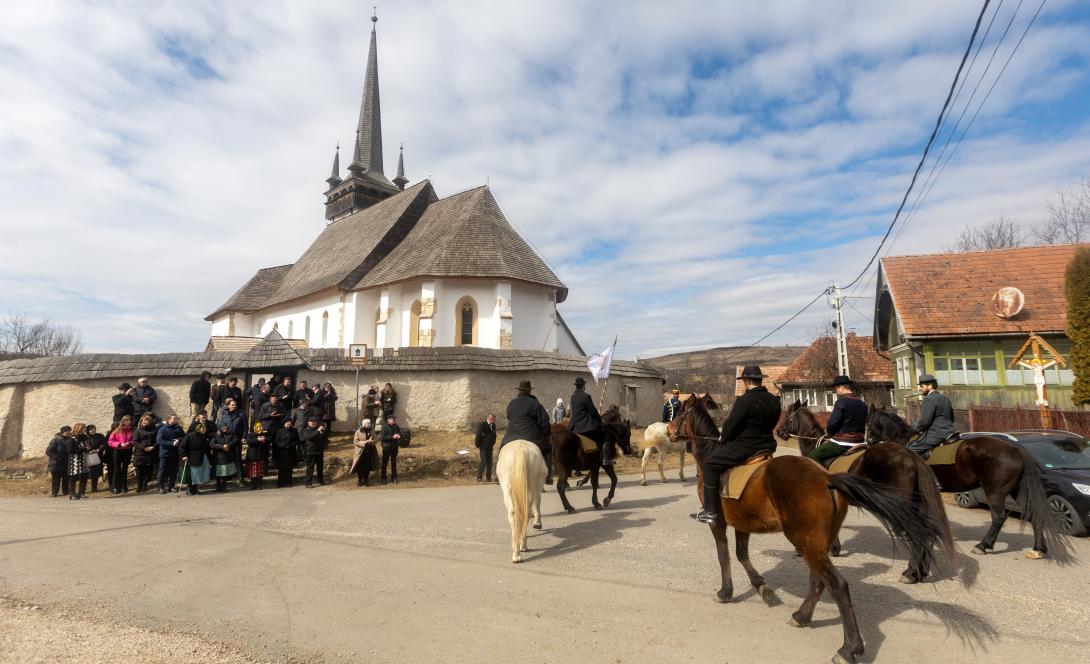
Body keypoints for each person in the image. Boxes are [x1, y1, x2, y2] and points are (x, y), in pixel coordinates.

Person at [693, 365, 781, 524]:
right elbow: (773, 423)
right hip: (767, 446)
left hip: (746, 448)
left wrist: (723, 439)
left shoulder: (744, 401)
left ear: (746, 380)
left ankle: (710, 510)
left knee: (710, 464)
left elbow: (730, 427)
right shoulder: (774, 400)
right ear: (760, 380)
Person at [807, 376, 868, 466]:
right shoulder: (863, 404)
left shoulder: (841, 402)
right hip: (860, 443)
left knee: (813, 456)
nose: (836, 391)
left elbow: (832, 424)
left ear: (842, 388)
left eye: (836, 388)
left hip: (843, 443)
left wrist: (830, 433)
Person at [500, 380, 552, 481]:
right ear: (529, 391)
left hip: (511, 437)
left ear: (519, 390)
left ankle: (497, 475)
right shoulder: (535, 404)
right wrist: (545, 435)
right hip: (532, 437)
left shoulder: (511, 403)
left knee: (502, 450)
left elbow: (509, 417)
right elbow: (545, 422)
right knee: (548, 449)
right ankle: (548, 476)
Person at [910, 374, 956, 457]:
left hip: (936, 434)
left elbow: (925, 421)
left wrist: (916, 430)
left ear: (930, 386)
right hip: (950, 432)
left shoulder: (929, 399)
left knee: (909, 450)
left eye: (922, 386)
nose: (920, 389)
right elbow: (952, 418)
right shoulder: (945, 398)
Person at [569, 377, 609, 465]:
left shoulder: (572, 397)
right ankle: (606, 459)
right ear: (583, 385)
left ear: (576, 386)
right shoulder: (586, 396)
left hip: (575, 426)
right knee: (605, 434)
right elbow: (593, 411)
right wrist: (599, 420)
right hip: (585, 426)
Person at [217, 398, 248, 486]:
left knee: (238, 460)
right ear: (228, 406)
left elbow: (245, 428)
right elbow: (220, 428)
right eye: (232, 405)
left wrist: (244, 437)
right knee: (227, 460)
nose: (234, 406)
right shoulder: (224, 416)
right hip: (227, 441)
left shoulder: (241, 415)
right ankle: (227, 479)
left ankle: (240, 479)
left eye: (235, 404)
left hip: (237, 440)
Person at [180, 423, 212, 495]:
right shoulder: (190, 436)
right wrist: (184, 455)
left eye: (205, 428)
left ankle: (195, 489)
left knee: (199, 474)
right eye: (202, 428)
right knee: (193, 474)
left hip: (203, 457)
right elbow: (182, 446)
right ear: (198, 429)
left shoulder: (205, 436)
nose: (204, 429)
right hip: (193, 457)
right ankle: (190, 489)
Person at [156, 414, 185, 493]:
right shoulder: (162, 429)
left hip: (175, 453)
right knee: (162, 471)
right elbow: (159, 440)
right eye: (174, 418)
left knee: (174, 471)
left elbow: (185, 437)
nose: (176, 420)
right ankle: (160, 487)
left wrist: (178, 440)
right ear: (169, 419)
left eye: (177, 418)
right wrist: (171, 443)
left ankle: (171, 486)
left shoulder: (179, 428)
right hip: (165, 454)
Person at [107, 416, 134, 494]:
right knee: (116, 469)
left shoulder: (132, 430)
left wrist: (130, 443)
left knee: (125, 469)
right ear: (123, 421)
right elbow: (110, 442)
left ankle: (124, 487)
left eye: (129, 420)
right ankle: (115, 487)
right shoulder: (117, 430)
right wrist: (120, 444)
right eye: (126, 420)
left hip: (128, 451)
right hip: (118, 451)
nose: (128, 422)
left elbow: (135, 440)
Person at [131, 414, 158, 493]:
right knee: (140, 471)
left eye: (146, 420)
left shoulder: (153, 430)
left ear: (149, 422)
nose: (145, 422)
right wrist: (144, 448)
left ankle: (144, 486)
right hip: (141, 453)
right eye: (143, 420)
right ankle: (139, 486)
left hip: (151, 452)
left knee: (148, 471)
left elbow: (157, 440)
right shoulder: (138, 430)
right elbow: (135, 442)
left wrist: (153, 447)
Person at [46, 426, 73, 498]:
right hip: (56, 463)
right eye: (68, 431)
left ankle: (66, 492)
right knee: (56, 479)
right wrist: (56, 457)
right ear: (63, 432)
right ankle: (54, 492)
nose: (69, 432)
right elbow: (48, 451)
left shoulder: (70, 440)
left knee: (66, 479)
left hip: (66, 463)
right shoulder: (55, 440)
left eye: (70, 431)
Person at [351, 419, 378, 487]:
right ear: (364, 424)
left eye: (370, 423)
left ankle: (366, 480)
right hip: (360, 453)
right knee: (360, 467)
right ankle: (360, 480)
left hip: (369, 452)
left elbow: (376, 439)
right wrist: (364, 442)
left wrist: (372, 441)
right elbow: (355, 442)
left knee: (367, 467)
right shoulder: (358, 431)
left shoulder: (372, 430)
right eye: (368, 423)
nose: (369, 424)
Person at [210, 424, 237, 493]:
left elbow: (235, 441)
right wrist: (222, 446)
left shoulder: (231, 434)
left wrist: (228, 445)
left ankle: (224, 486)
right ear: (220, 428)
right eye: (223, 428)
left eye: (226, 427)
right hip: (218, 457)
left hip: (227, 456)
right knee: (218, 473)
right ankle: (218, 486)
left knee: (225, 472)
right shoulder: (216, 435)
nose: (224, 429)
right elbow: (212, 444)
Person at [66, 423, 90, 500]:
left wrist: (89, 447)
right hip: (74, 460)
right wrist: (83, 449)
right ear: (79, 429)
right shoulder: (72, 439)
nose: (85, 429)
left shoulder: (85, 437)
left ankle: (81, 493)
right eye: (84, 428)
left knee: (84, 476)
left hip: (83, 458)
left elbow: (88, 445)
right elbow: (70, 450)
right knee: (73, 477)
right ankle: (72, 494)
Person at [273, 419, 299, 488]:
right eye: (287, 423)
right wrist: (282, 445)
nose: (288, 424)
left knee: (289, 468)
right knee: (281, 469)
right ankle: (280, 483)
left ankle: (288, 482)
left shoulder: (294, 431)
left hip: (290, 452)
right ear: (284, 423)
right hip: (281, 452)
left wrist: (290, 445)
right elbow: (276, 441)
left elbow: (296, 440)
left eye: (290, 423)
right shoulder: (280, 431)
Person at [302, 416, 327, 488]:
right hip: (310, 451)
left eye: (315, 422)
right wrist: (318, 431)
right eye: (311, 421)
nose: (313, 423)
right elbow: (309, 437)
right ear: (308, 423)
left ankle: (321, 480)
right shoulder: (306, 430)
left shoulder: (319, 429)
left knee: (320, 467)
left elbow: (324, 438)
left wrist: (324, 430)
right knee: (310, 468)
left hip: (319, 451)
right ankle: (308, 483)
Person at [379, 414, 403, 484]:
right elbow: (382, 438)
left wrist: (399, 436)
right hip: (386, 447)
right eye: (393, 419)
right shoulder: (384, 427)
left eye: (394, 419)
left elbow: (400, 434)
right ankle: (383, 478)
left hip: (394, 447)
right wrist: (392, 437)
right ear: (388, 420)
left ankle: (394, 477)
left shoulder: (397, 426)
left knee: (394, 462)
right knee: (384, 462)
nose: (394, 420)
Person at [84, 424, 108, 493]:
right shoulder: (85, 437)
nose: (93, 430)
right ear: (88, 430)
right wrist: (87, 450)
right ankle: (83, 488)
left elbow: (104, 444)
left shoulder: (100, 436)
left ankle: (94, 488)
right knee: (87, 473)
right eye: (91, 429)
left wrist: (98, 449)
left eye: (94, 429)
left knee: (96, 473)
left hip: (98, 457)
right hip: (88, 457)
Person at [474, 414, 497, 482]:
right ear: (488, 418)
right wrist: (477, 444)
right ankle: (479, 477)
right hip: (483, 447)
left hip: (490, 447)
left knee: (489, 462)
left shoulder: (493, 425)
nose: (492, 420)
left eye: (493, 419)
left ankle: (488, 478)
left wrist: (493, 442)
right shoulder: (483, 424)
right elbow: (478, 435)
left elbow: (494, 435)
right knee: (483, 461)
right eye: (491, 418)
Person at [247, 422, 269, 490]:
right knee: (253, 471)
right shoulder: (251, 434)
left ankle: (259, 485)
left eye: (261, 427)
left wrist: (264, 440)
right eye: (259, 427)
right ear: (256, 428)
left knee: (260, 471)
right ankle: (253, 485)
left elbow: (268, 442)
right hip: (253, 456)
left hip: (261, 455)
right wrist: (257, 440)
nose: (261, 428)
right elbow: (249, 442)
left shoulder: (265, 435)